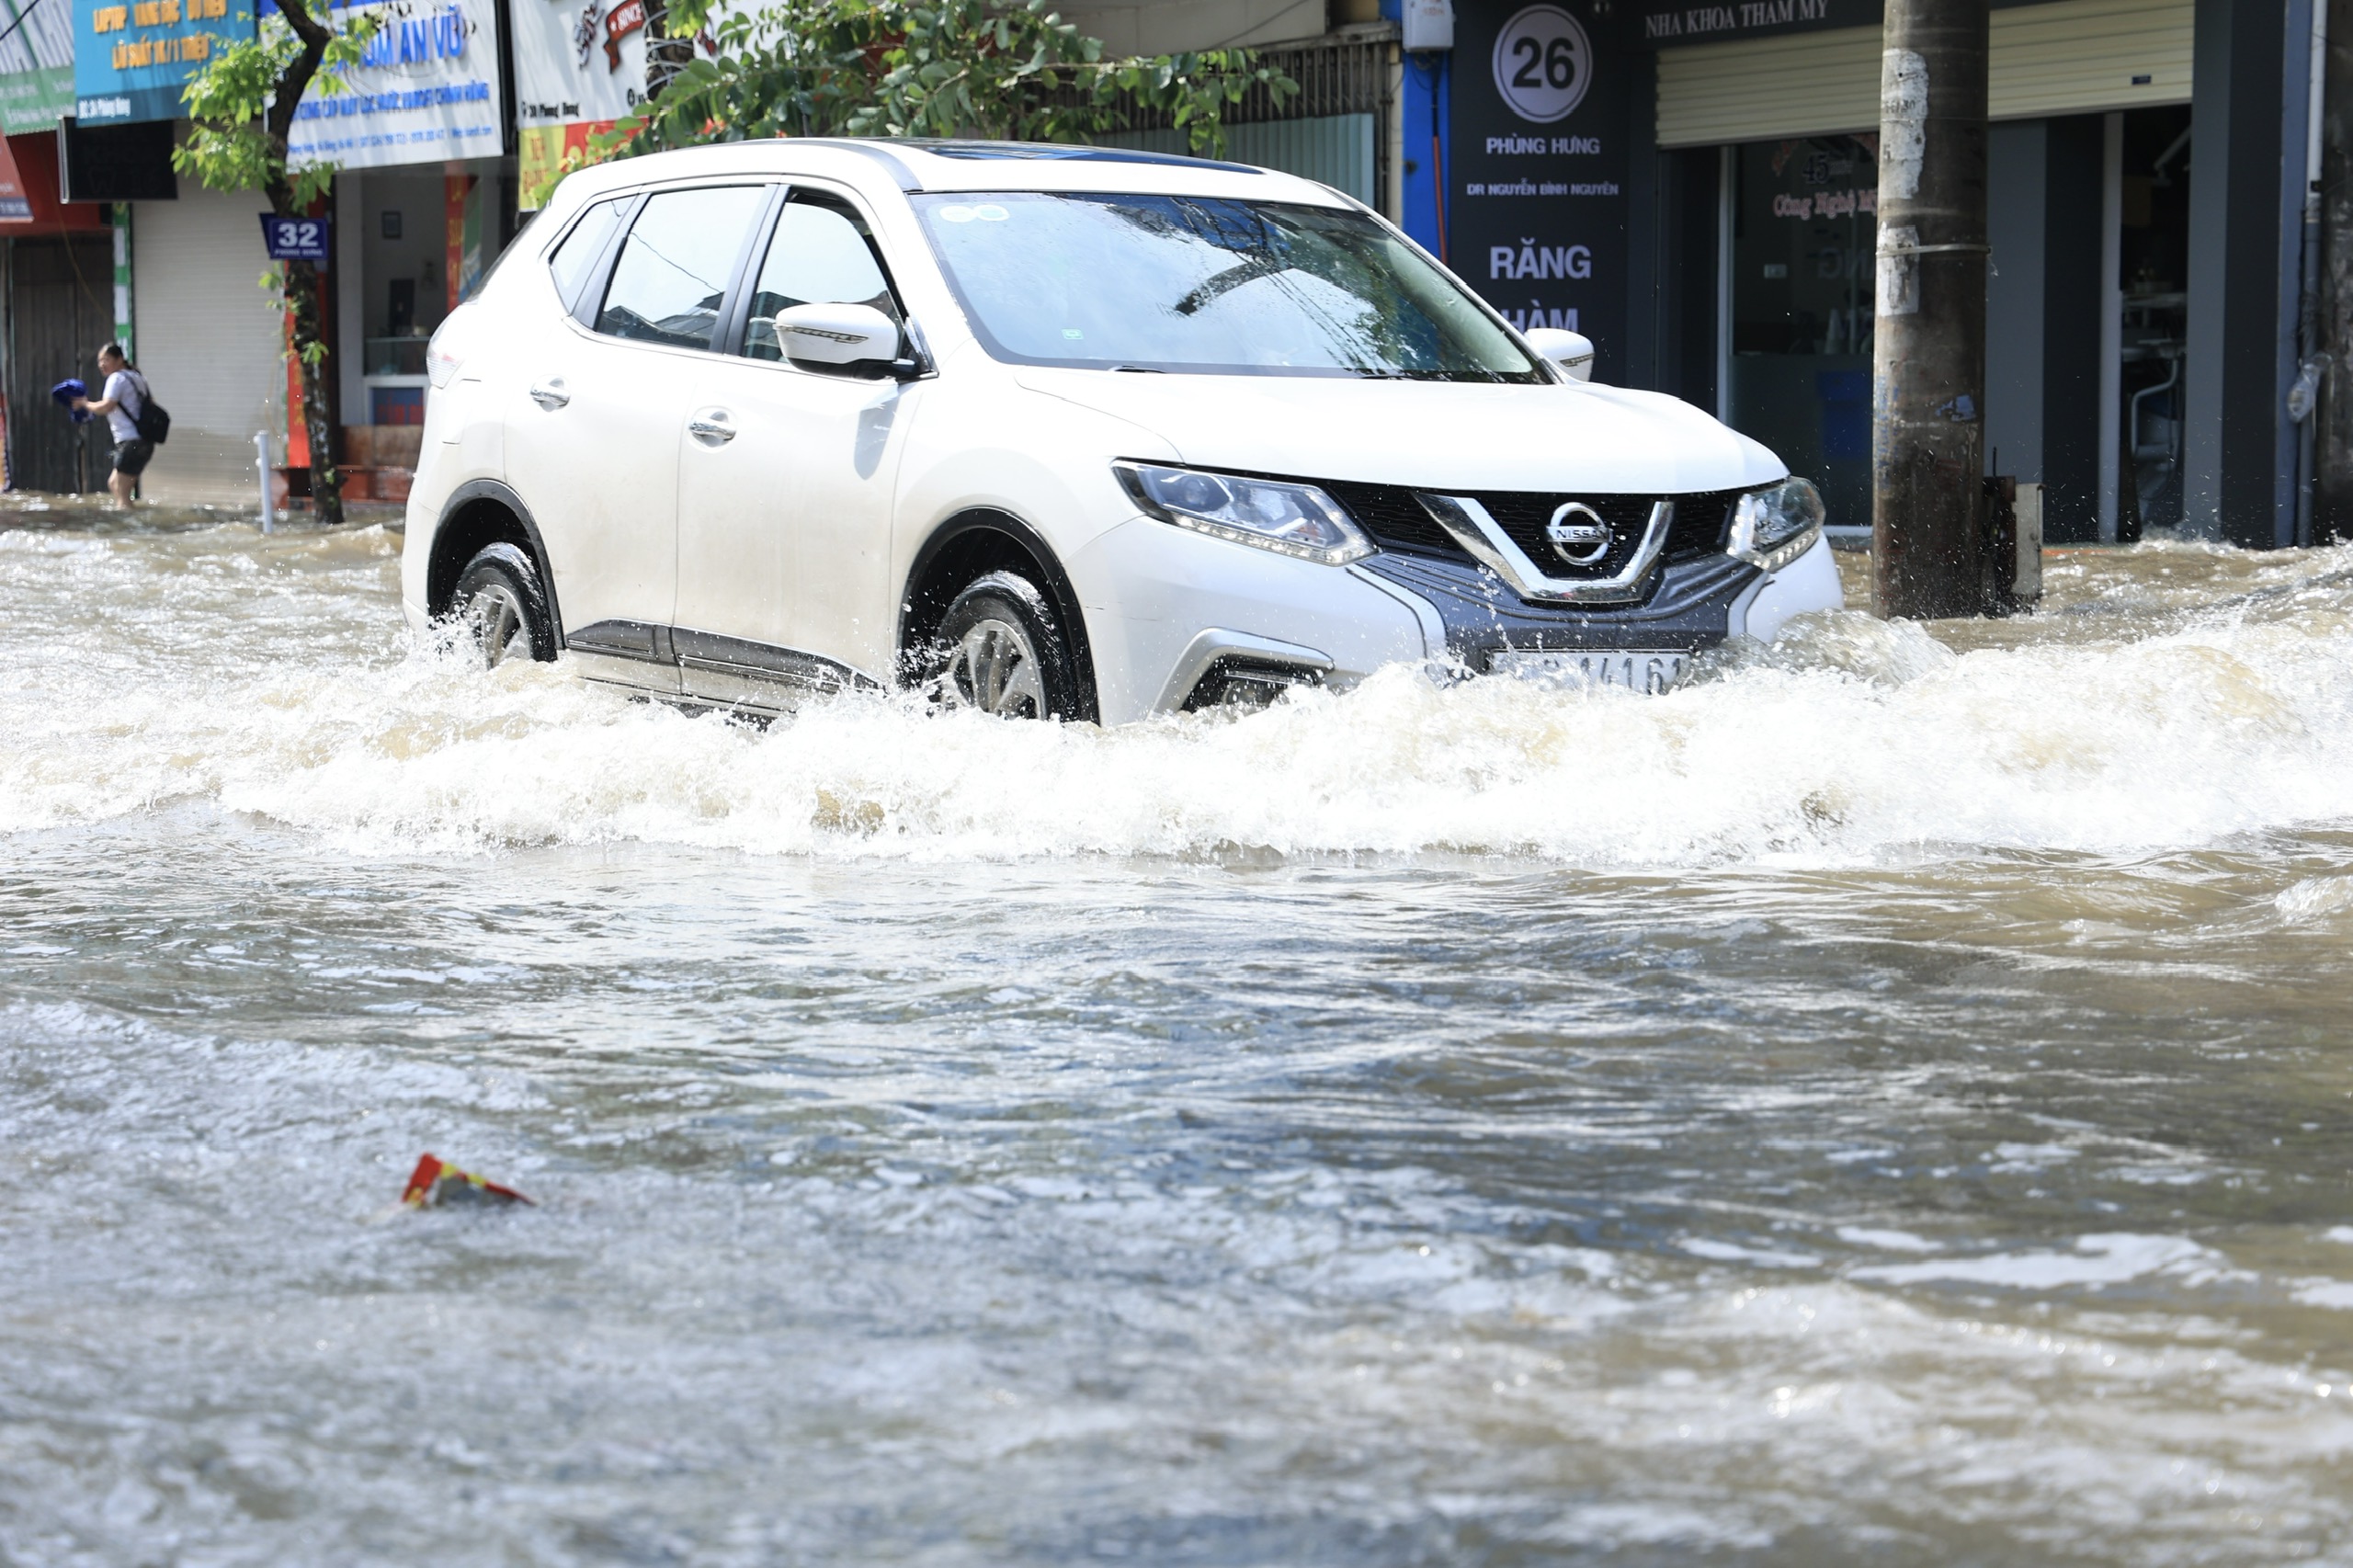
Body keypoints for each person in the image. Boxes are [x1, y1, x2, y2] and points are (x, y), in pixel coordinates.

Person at [71, 343, 153, 508]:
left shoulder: (116, 378)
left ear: (120, 359)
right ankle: (132, 521)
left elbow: (106, 406)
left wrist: (85, 404)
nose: (102, 364)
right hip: (143, 441)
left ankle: (127, 526)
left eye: (106, 360)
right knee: (114, 484)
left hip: (131, 442)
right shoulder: (137, 377)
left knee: (121, 490)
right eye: (100, 361)